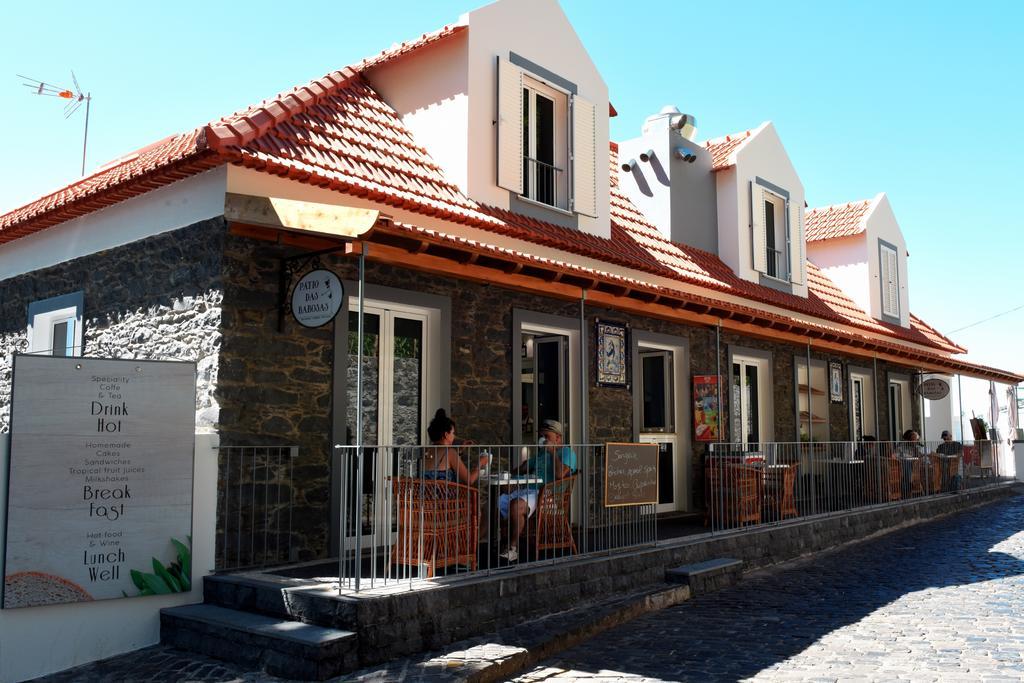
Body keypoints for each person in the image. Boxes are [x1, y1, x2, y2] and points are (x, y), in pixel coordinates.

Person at [498, 419, 577, 562]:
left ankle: (512, 548)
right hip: (530, 491)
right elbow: (523, 468)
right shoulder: (541, 454)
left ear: (558, 438)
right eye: (542, 436)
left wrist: (552, 452)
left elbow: (560, 474)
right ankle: (476, 546)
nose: (543, 439)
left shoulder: (567, 452)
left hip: (548, 496)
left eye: (547, 436)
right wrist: (510, 477)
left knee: (516, 505)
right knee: (494, 502)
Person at [421, 409, 487, 485]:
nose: (454, 436)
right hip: (445, 496)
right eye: (453, 433)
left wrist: (459, 451)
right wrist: (480, 464)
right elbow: (469, 480)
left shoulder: (427, 450)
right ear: (446, 435)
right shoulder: (449, 452)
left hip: (424, 496)